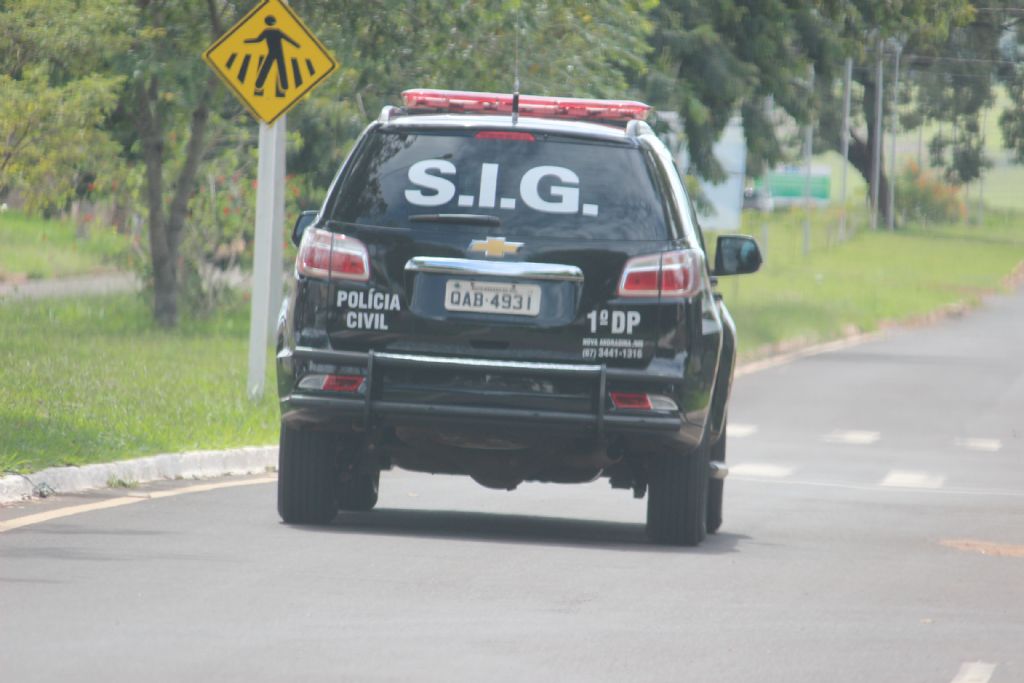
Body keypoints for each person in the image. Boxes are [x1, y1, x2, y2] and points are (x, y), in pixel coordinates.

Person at [245, 15, 299, 97]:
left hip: (272, 52)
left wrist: (247, 41)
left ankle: (259, 85)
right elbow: (288, 39)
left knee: (266, 68)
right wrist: (297, 45)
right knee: (281, 68)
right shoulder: (277, 31)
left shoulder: (266, 32)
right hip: (279, 53)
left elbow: (258, 40)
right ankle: (284, 86)